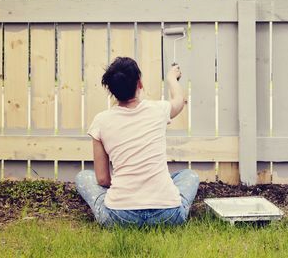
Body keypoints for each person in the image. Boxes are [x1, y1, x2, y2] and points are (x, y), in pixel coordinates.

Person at [75, 57, 199, 228]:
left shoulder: (101, 121)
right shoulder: (158, 110)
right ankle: (163, 194)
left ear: (110, 90)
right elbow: (179, 99)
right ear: (139, 83)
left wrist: (127, 189)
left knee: (83, 177)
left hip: (119, 217)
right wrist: (171, 77)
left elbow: (102, 179)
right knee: (189, 175)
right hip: (168, 214)